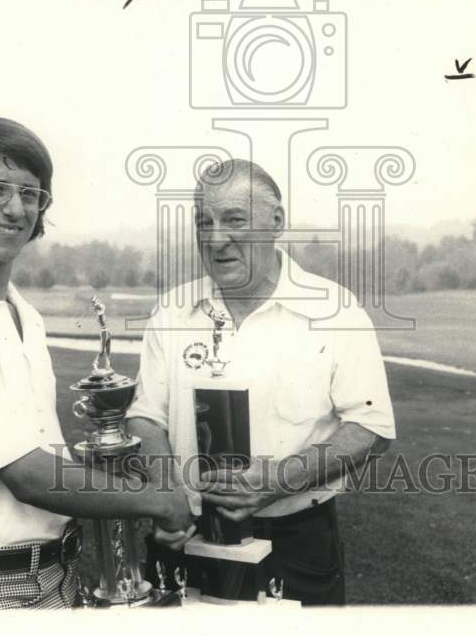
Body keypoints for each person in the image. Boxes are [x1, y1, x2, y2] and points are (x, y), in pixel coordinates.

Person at [0, 116, 192, 609]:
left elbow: (47, 458)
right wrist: (157, 500)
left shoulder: (21, 312)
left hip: (57, 574)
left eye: (31, 194)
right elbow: (28, 474)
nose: (16, 208)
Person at [126, 158, 396, 606]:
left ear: (277, 222)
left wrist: (279, 480)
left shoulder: (335, 310)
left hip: (295, 540)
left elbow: (372, 428)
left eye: (235, 219)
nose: (216, 239)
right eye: (203, 222)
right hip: (182, 533)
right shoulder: (172, 312)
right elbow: (144, 417)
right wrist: (166, 494)